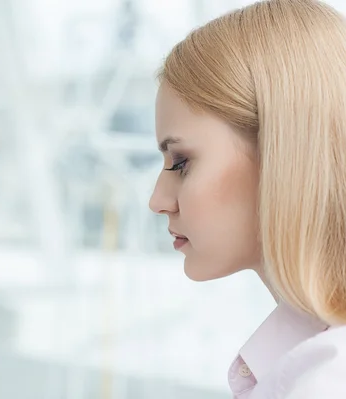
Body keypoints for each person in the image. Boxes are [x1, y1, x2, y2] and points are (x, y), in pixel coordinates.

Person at [149, 1, 346, 398]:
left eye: (182, 161)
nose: (158, 200)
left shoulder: (324, 381)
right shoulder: (302, 362)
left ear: (285, 154)